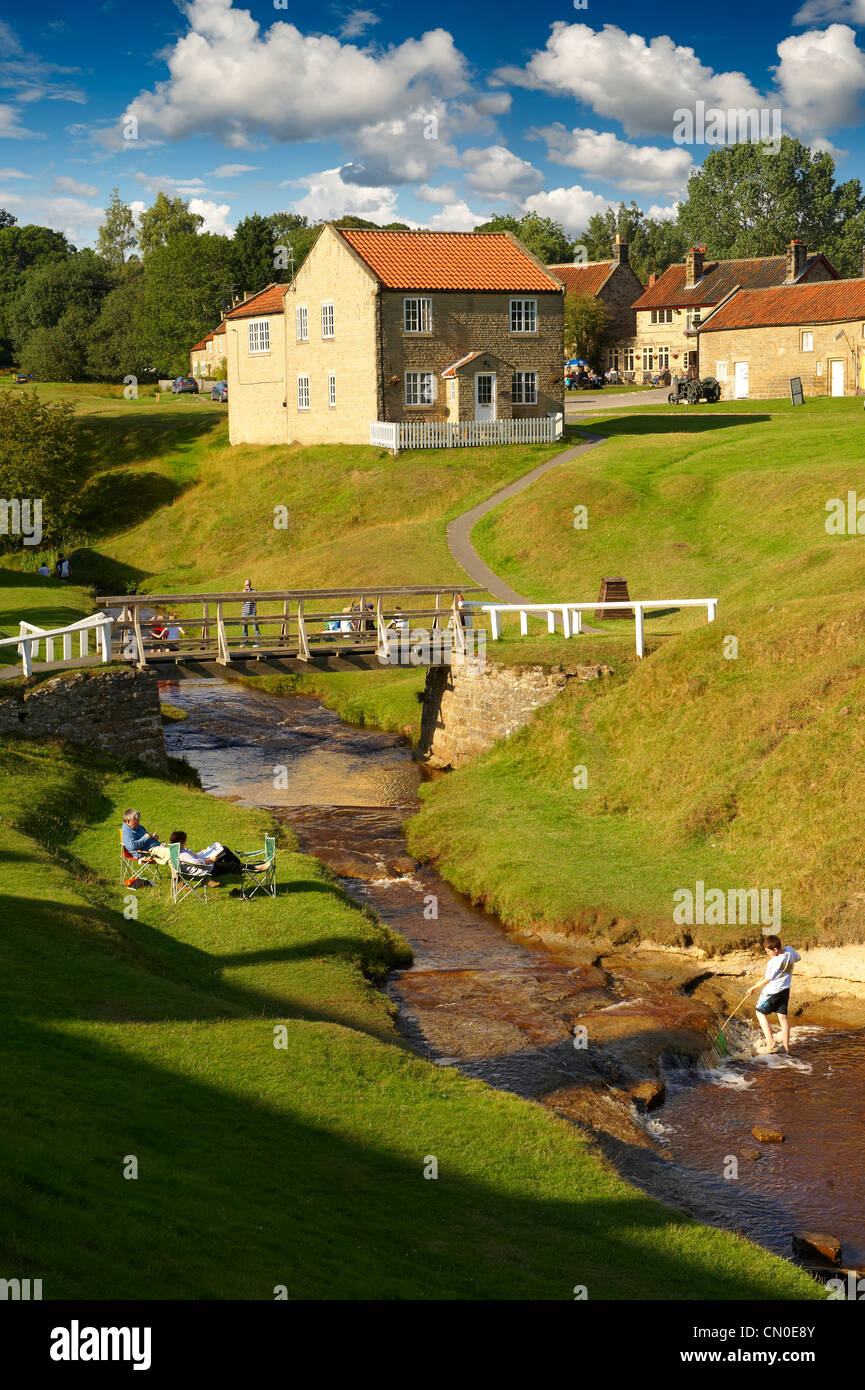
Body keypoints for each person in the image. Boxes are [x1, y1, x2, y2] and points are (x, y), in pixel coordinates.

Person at [747, 935, 802, 1054]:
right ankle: (786, 1048)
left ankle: (770, 1042)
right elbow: (798, 958)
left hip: (772, 992)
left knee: (759, 1012)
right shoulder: (789, 950)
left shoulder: (773, 962)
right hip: (785, 990)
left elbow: (768, 979)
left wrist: (753, 988)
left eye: (768, 951)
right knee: (782, 1017)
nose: (767, 953)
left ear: (775, 949)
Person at [169, 831, 242, 881]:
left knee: (224, 849)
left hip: (203, 863)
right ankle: (247, 868)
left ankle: (240, 867)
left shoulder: (176, 852)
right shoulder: (184, 855)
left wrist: (201, 853)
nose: (186, 842)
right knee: (233, 865)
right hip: (207, 869)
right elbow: (197, 863)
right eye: (185, 841)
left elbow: (192, 859)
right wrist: (211, 860)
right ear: (181, 842)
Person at [241, 578, 260, 644]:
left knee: (255, 626)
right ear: (244, 585)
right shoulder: (243, 592)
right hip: (244, 612)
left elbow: (255, 601)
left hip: (252, 611)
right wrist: (245, 595)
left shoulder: (254, 591)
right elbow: (242, 602)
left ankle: (258, 641)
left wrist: (250, 595)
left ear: (250, 584)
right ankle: (245, 641)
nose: (248, 586)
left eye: (249, 585)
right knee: (244, 627)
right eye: (246, 585)